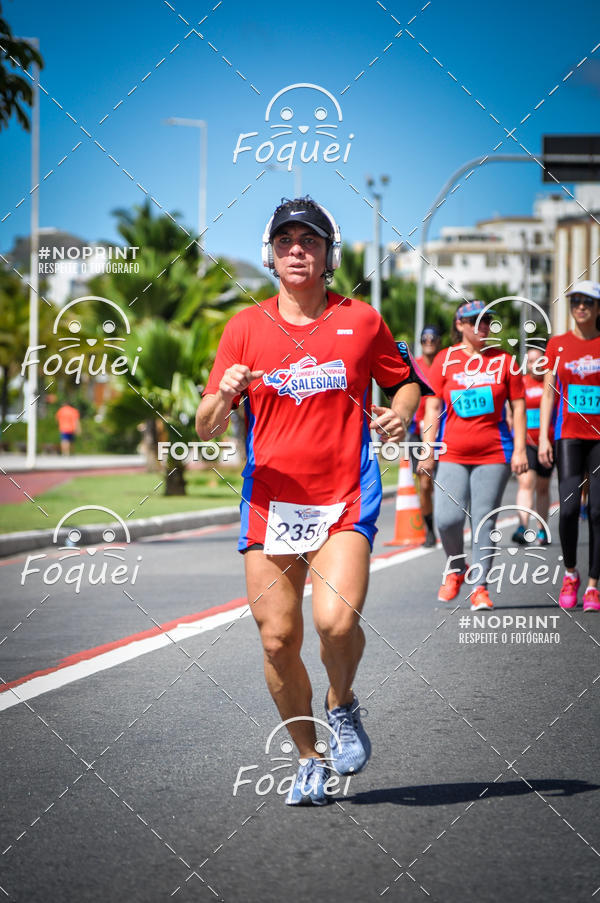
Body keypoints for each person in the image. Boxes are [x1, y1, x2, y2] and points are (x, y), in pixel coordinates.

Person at [196, 196, 430, 805]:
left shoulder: (362, 320)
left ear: (329, 252)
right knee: (277, 640)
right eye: (284, 241)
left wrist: (399, 414)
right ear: (270, 254)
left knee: (335, 621)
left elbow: (404, 381)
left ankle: (342, 702)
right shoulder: (244, 327)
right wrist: (223, 393)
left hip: (345, 496)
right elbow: (205, 426)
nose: (296, 250)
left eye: (309, 241)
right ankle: (307, 757)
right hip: (270, 504)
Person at [418, 300, 528, 610]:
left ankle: (480, 586)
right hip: (452, 451)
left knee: (483, 519)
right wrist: (428, 450)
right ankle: (456, 568)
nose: (481, 326)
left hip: (494, 452)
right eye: (473, 321)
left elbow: (518, 406)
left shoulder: (506, 361)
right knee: (447, 518)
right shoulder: (444, 360)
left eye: (486, 321)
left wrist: (520, 448)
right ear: (459, 325)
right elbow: (432, 406)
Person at [539, 280, 600, 612]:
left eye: (588, 302)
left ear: (597, 308)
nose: (581, 306)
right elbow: (548, 393)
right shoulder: (558, 345)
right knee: (570, 507)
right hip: (568, 436)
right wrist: (545, 436)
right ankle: (571, 573)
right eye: (576, 301)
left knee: (599, 511)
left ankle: (593, 585)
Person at [511, 345, 554, 546]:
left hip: (547, 444)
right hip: (526, 442)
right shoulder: (521, 383)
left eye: (538, 360)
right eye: (530, 361)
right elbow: (512, 411)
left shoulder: (551, 383)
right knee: (526, 484)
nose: (534, 365)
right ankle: (522, 526)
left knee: (543, 488)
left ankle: (542, 530)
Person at [409, 325, 443, 547]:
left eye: (432, 338)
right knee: (424, 483)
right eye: (424, 339)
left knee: (446, 483)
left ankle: (450, 523)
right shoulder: (413, 366)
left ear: (439, 341)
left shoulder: (445, 364)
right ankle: (430, 530)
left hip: (444, 431)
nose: (428, 341)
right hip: (417, 433)